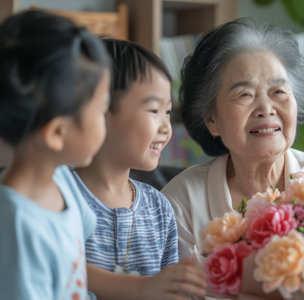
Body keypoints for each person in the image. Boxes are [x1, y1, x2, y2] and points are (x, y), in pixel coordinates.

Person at [0, 11, 206, 300]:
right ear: (58, 131)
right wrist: (142, 288)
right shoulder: (18, 219)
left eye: (168, 112)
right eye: (99, 111)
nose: (166, 126)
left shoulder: (60, 187)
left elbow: (73, 265)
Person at [161, 17, 304, 263]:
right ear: (212, 120)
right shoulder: (181, 203)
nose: (266, 108)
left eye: (279, 92)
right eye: (244, 94)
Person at [0, 10, 110, 299]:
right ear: (57, 133)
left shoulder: (61, 179)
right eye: (101, 111)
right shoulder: (16, 225)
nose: (106, 123)